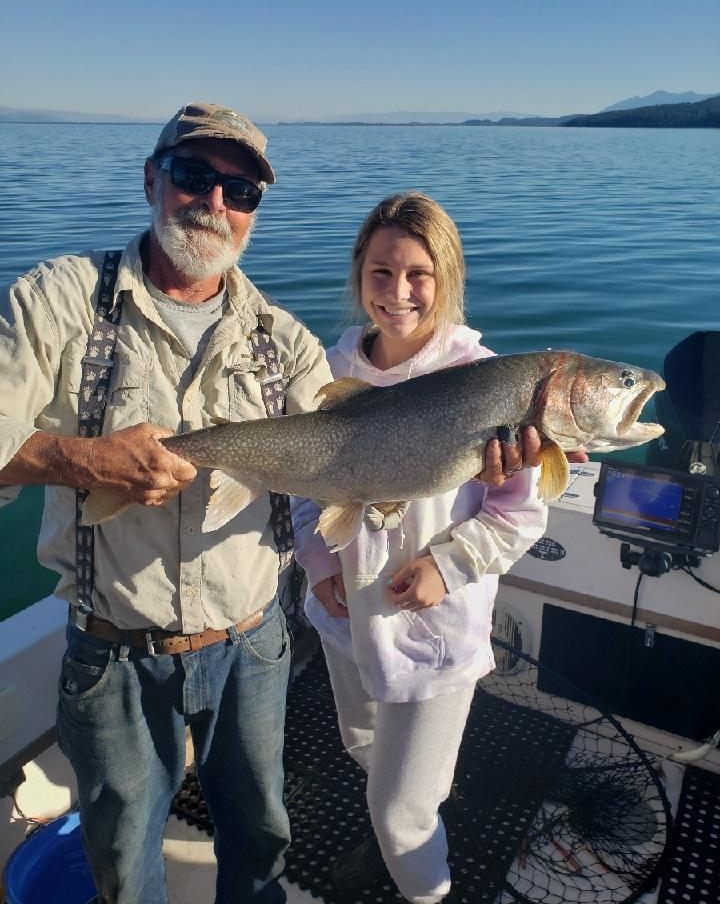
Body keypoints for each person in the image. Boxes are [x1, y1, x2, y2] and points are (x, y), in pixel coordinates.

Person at [0, 103, 332, 904]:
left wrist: (487, 462)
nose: (215, 203)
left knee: (261, 841)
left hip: (252, 645)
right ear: (151, 180)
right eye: (194, 176)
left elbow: (350, 458)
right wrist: (81, 457)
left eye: (241, 190)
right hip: (112, 652)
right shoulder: (62, 299)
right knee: (123, 858)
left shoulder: (283, 340)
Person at [291, 192, 586, 904]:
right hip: (343, 613)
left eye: (418, 273)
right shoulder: (327, 369)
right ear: (359, 273)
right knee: (366, 749)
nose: (398, 293)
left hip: (435, 627)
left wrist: (449, 565)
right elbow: (303, 477)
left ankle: (419, 878)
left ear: (446, 277)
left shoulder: (492, 379)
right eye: (382, 272)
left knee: (403, 812)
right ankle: (393, 830)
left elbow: (521, 514)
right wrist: (319, 561)